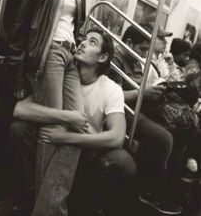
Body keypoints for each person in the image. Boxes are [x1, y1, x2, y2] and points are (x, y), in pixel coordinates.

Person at [8, 0, 88, 215]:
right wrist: (18, 75)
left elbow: (79, 25)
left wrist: (78, 47)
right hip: (48, 54)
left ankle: (47, 206)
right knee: (54, 128)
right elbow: (19, 29)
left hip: (69, 57)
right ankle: (50, 210)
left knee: (79, 124)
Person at [13, 28, 136, 216]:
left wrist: (66, 137)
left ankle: (93, 206)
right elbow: (20, 109)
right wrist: (66, 117)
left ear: (102, 57)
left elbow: (117, 137)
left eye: (92, 42)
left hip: (85, 152)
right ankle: (32, 195)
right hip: (53, 144)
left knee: (123, 162)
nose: (83, 43)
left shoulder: (110, 88)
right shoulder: (62, 78)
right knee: (19, 129)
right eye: (83, 39)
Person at [108, 24, 183, 215]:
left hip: (140, 108)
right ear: (129, 43)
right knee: (163, 139)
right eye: (142, 49)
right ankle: (149, 192)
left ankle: (161, 186)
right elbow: (113, 96)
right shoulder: (116, 59)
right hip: (124, 111)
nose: (143, 54)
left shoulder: (133, 60)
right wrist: (143, 93)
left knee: (176, 129)